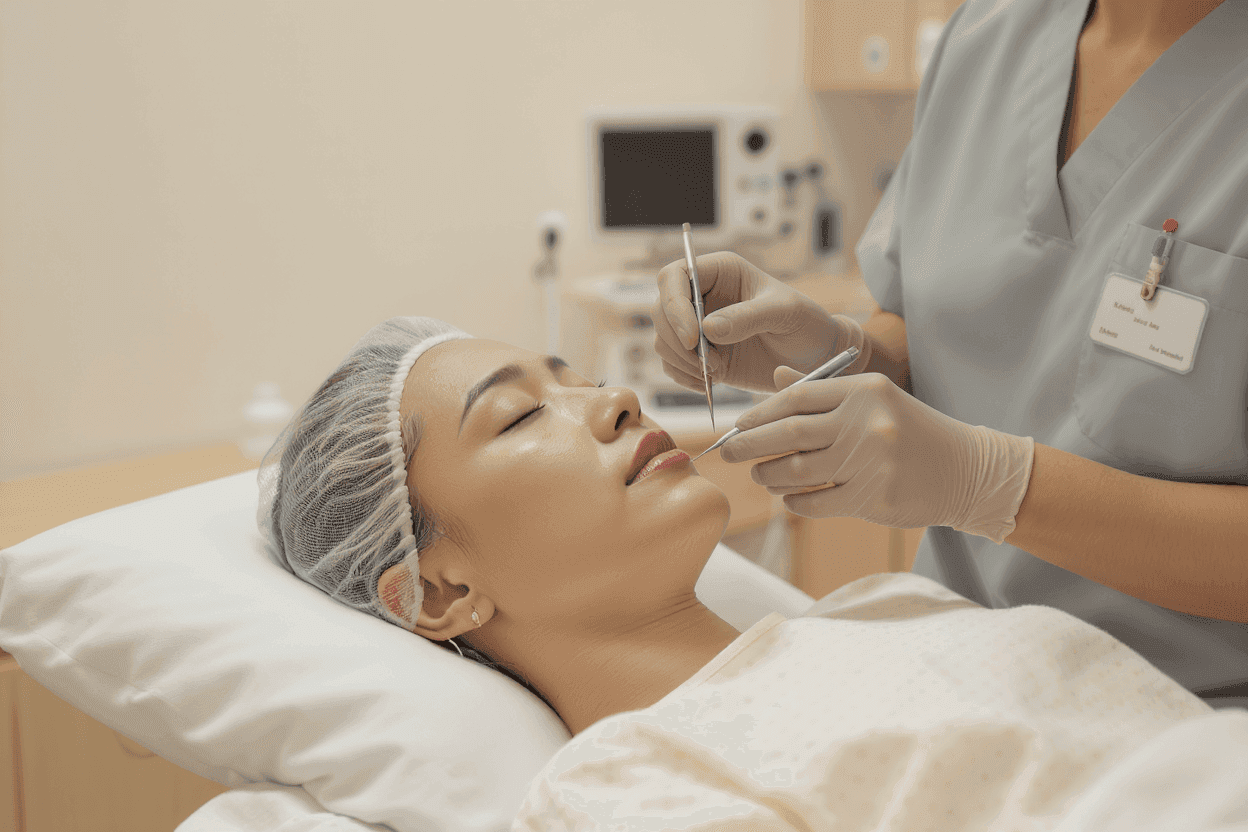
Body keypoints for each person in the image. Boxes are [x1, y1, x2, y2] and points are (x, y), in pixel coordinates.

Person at [263, 315, 1242, 830]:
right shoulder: (622, 790)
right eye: (520, 416)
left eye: (573, 377)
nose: (607, 399)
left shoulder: (881, 603)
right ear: (438, 592)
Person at [653, 0, 1248, 709]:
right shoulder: (988, 35)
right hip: (952, 674)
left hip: (1188, 724)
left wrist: (992, 484)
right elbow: (942, 329)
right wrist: (842, 351)